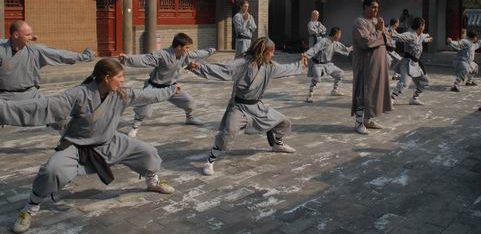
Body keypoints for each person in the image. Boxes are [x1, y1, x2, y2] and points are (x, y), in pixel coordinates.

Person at [0, 59, 179, 234]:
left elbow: (148, 95)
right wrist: (4, 109)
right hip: (77, 145)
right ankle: (30, 207)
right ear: (107, 78)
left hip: (108, 141)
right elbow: (43, 106)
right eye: (120, 76)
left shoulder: (121, 94)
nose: (123, 80)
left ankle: (152, 182)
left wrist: (172, 89)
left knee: (147, 152)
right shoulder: (79, 94)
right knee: (52, 170)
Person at [187, 37, 307, 176]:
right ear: (263, 52)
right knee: (229, 131)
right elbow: (223, 69)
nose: (273, 55)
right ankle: (210, 160)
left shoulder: (270, 66)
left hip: (257, 106)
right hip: (239, 107)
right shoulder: (243, 64)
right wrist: (198, 67)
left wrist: (300, 64)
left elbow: (286, 68)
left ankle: (277, 144)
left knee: (284, 122)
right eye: (271, 52)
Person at [118, 33, 215, 137]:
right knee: (145, 107)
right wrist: (126, 59)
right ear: (179, 47)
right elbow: (145, 59)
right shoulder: (162, 55)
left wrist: (211, 50)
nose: (188, 50)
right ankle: (135, 126)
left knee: (189, 101)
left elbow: (197, 54)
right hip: (154, 87)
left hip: (171, 87)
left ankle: (189, 118)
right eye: (186, 47)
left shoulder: (184, 55)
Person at [0, 20, 95, 102]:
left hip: (30, 96)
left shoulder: (35, 51)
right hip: (4, 97)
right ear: (16, 35)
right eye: (27, 35)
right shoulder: (2, 49)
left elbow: (60, 54)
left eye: (31, 35)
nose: (31, 37)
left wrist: (84, 56)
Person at [351, 0, 392, 135]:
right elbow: (366, 43)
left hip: (378, 64)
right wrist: (379, 31)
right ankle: (358, 123)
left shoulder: (377, 21)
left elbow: (388, 39)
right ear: (365, 7)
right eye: (373, 7)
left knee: (375, 92)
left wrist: (382, 30)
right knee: (364, 92)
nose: (376, 10)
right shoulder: (359, 22)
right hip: (365, 64)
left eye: (377, 8)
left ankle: (368, 119)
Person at [302, 27, 352, 103]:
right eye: (339, 34)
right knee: (317, 78)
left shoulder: (335, 43)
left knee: (340, 73)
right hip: (318, 64)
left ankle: (335, 90)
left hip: (328, 64)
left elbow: (345, 49)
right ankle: (310, 94)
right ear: (336, 34)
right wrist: (305, 55)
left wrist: (352, 48)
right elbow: (314, 49)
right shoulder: (323, 41)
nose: (340, 36)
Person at [391, 17, 434, 106]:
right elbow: (399, 37)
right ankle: (391, 100)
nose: (424, 27)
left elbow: (424, 38)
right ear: (421, 26)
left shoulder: (420, 35)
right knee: (404, 83)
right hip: (407, 63)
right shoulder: (410, 35)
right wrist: (389, 32)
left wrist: (429, 39)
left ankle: (414, 99)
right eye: (424, 25)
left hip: (416, 64)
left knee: (425, 82)